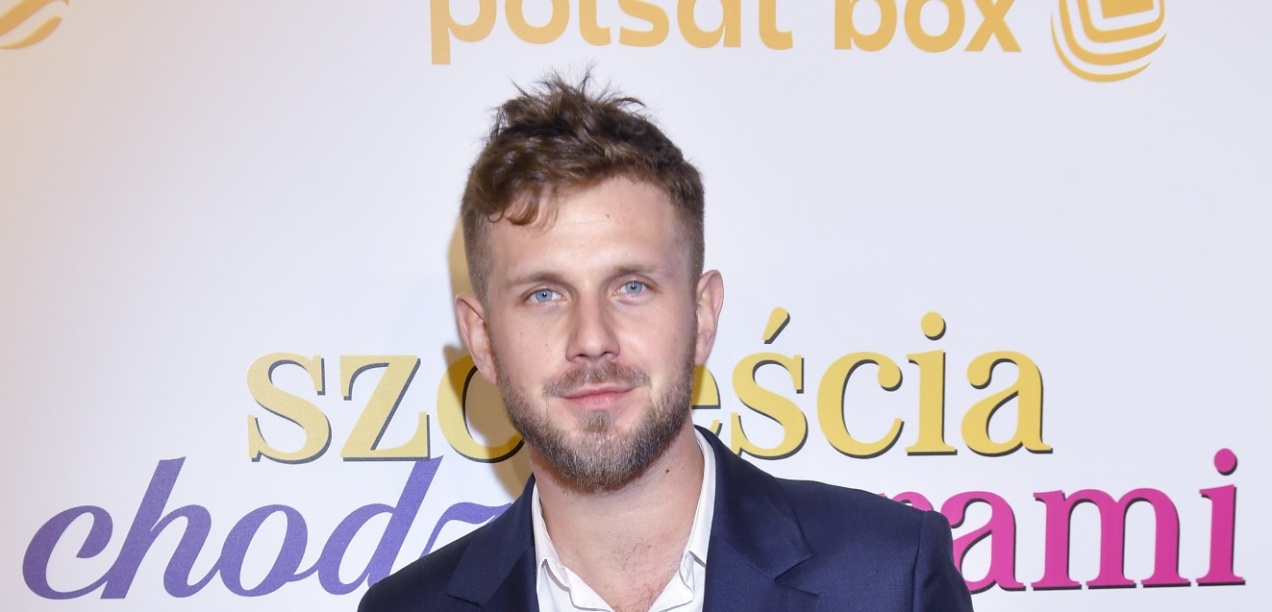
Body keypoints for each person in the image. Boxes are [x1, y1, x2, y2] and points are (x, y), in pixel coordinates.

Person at [359, 72, 974, 612]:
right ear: (482, 340)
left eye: (631, 286)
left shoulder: (888, 577)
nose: (592, 339)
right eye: (544, 294)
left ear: (702, 316)